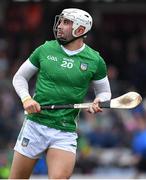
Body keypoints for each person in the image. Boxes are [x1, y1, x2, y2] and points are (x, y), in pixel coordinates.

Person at [9, 8, 111, 179]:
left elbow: (105, 92)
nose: (59, 26)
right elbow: (19, 77)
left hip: (64, 131)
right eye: (61, 21)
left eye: (66, 22)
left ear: (80, 30)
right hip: (35, 125)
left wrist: (98, 101)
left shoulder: (95, 60)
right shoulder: (45, 49)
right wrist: (26, 98)